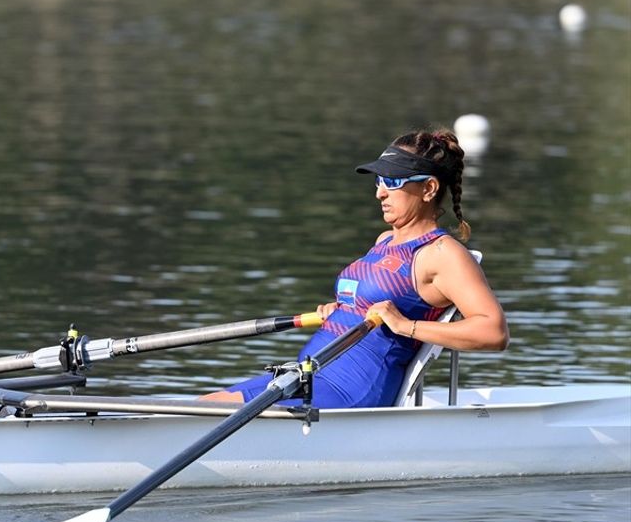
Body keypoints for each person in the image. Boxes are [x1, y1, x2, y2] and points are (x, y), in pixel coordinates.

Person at [204, 128, 508, 408]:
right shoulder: (385, 241)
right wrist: (342, 309)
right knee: (203, 404)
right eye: (378, 181)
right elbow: (374, 300)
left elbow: (493, 331)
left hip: (351, 392)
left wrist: (406, 326)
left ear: (429, 189)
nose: (380, 193)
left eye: (392, 182)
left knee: (204, 413)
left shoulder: (442, 253)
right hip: (309, 376)